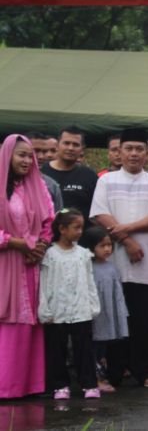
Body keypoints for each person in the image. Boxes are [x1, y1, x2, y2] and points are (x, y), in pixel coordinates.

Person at [89, 127, 148, 388]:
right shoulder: (106, 181)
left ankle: (146, 371)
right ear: (119, 152)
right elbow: (99, 214)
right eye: (129, 149)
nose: (134, 154)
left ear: (147, 154)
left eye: (139, 149)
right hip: (114, 262)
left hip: (147, 263)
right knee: (114, 317)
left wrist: (124, 229)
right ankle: (115, 371)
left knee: (144, 320)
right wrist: (127, 241)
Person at [0, 134, 54, 399]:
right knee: (6, 318)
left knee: (28, 322)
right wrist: (14, 242)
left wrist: (40, 245)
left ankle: (26, 385)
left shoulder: (37, 185)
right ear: (6, 155)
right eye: (21, 155)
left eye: (29, 156)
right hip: (5, 262)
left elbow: (49, 219)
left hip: (30, 265)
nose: (27, 161)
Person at [38, 208, 100, 399]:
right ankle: (60, 385)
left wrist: (93, 305)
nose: (80, 231)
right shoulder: (50, 255)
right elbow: (44, 283)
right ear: (62, 229)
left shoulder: (83, 254)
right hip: (57, 310)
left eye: (82, 227)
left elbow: (89, 281)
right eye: (76, 227)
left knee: (84, 348)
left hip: (80, 308)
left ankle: (89, 383)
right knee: (57, 349)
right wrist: (44, 309)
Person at [79, 225, 129, 393]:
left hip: (109, 313)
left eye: (109, 245)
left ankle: (102, 376)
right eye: (102, 245)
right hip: (95, 314)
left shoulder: (112, 267)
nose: (107, 249)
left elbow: (117, 294)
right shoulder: (87, 267)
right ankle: (96, 378)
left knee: (104, 347)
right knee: (94, 346)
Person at [41, 127, 98, 220]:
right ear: (57, 145)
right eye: (66, 143)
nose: (70, 148)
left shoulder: (90, 176)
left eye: (76, 145)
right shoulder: (42, 172)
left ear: (82, 149)